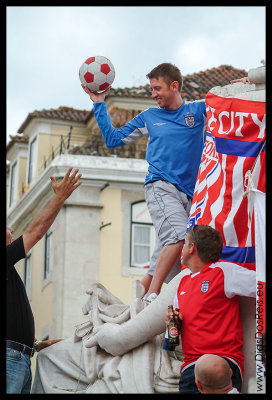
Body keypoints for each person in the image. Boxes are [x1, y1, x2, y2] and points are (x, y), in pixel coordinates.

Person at [82, 62, 207, 301]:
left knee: (183, 257)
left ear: (174, 86)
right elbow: (113, 139)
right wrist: (99, 103)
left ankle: (156, 305)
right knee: (180, 236)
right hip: (160, 186)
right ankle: (151, 295)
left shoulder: (197, 111)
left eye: (157, 88)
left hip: (191, 195)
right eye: (151, 89)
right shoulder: (149, 117)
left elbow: (226, 105)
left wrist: (247, 83)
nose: (153, 95)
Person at [6, 167, 82, 394]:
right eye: (6, 228)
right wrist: (59, 198)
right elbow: (36, 232)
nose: (10, 229)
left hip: (19, 359)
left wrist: (36, 343)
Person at [163, 224, 256, 394]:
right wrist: (171, 324)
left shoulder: (224, 271)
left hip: (221, 365)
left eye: (185, 243)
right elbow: (174, 338)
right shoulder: (183, 283)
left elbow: (261, 284)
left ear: (192, 248)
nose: (182, 248)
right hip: (191, 368)